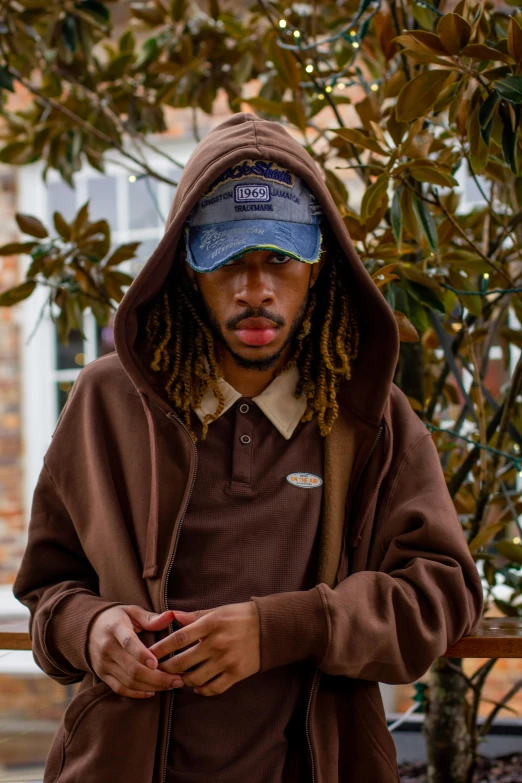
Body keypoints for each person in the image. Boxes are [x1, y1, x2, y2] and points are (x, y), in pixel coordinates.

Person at [13, 112, 484, 783]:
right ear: (185, 267)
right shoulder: (105, 403)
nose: (255, 290)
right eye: (228, 258)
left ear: (318, 266)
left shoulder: (367, 419)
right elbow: (47, 588)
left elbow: (443, 593)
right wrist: (90, 630)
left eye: (279, 260)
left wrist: (285, 628)